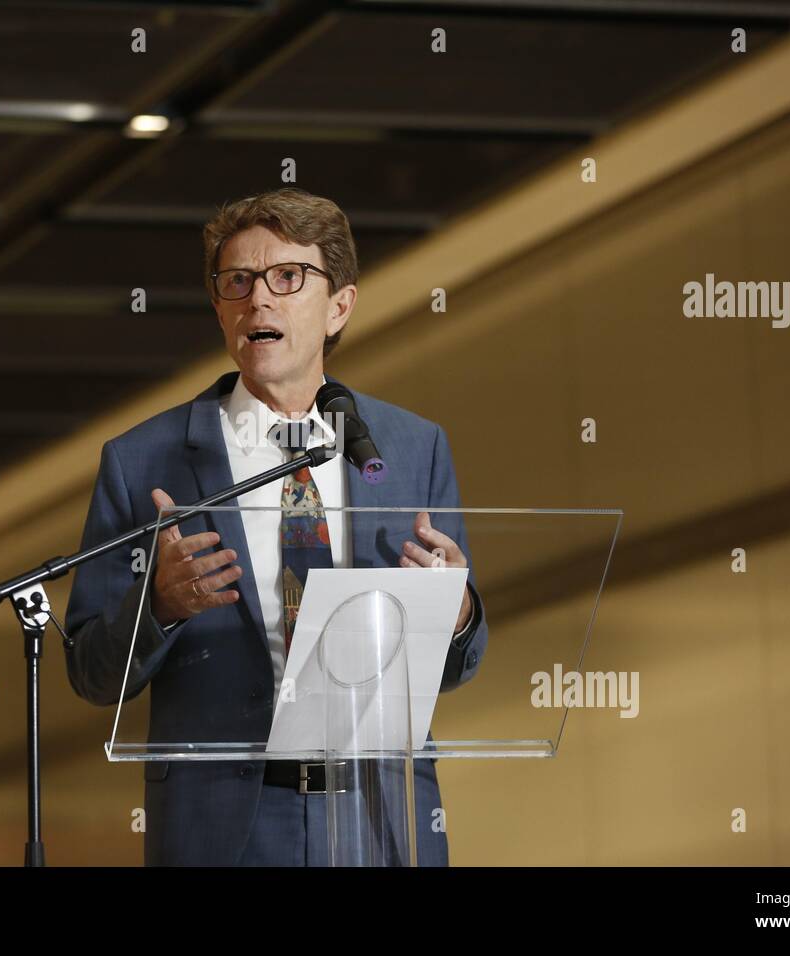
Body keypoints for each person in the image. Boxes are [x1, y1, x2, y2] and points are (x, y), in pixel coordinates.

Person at [63, 187, 488, 865]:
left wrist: (458, 609)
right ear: (219, 305)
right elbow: (89, 672)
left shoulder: (411, 448)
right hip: (223, 825)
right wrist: (160, 608)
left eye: (286, 277)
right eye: (237, 281)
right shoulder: (142, 461)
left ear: (339, 305)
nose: (258, 299)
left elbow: (458, 662)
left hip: (380, 816)